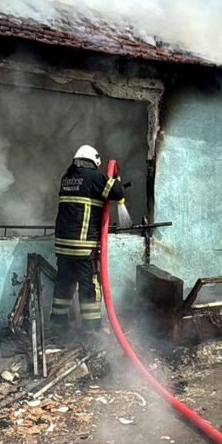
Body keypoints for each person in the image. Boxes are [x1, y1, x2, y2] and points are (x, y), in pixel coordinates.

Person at [50, 145, 125, 343]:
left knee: (64, 284)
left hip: (63, 245)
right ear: (94, 161)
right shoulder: (94, 177)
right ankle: (91, 330)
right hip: (83, 246)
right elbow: (117, 191)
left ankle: (58, 324)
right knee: (89, 286)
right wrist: (115, 179)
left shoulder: (67, 178)